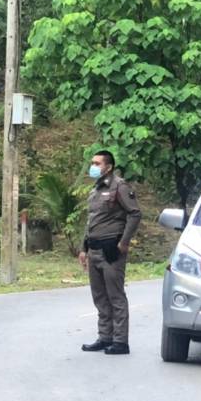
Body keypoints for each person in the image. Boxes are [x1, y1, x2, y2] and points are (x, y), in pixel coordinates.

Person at [78, 150, 142, 355]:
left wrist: (124, 242)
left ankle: (120, 341)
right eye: (92, 163)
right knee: (99, 296)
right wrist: (83, 248)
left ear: (109, 166)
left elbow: (134, 214)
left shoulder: (119, 186)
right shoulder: (96, 189)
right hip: (94, 248)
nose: (93, 166)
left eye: (97, 163)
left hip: (111, 249)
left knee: (115, 295)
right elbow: (91, 221)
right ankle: (105, 337)